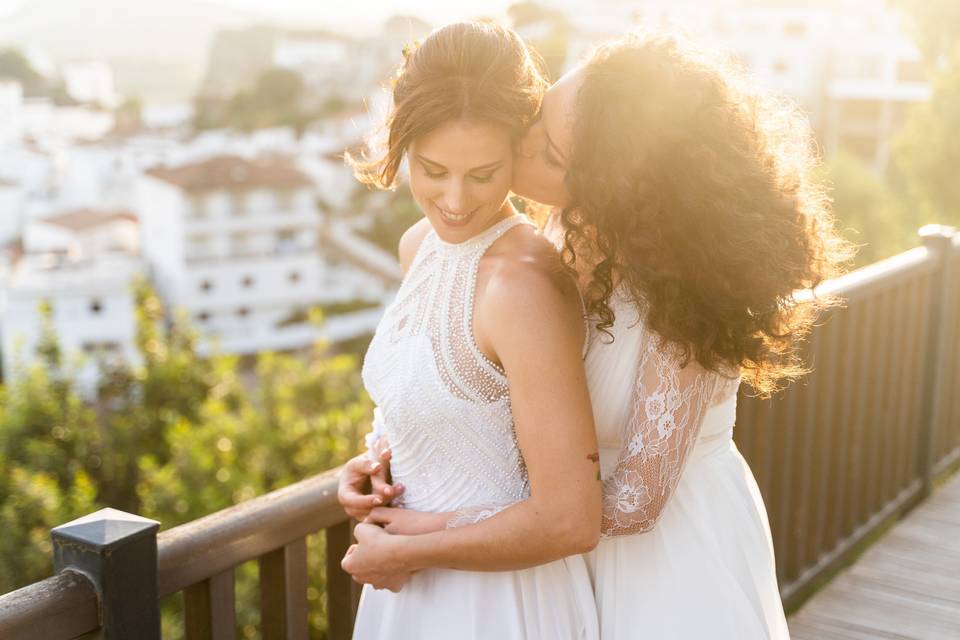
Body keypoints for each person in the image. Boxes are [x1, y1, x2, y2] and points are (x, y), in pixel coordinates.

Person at [340, 30, 854, 639]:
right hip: (541, 556)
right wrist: (400, 472)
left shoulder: (682, 287)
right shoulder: (551, 229)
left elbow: (634, 501)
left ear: (610, 183)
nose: (521, 145)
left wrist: (435, 527)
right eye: (539, 118)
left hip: (662, 561)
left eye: (550, 153)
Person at [341, 20, 603, 640]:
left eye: (483, 174)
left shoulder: (523, 285)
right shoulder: (419, 246)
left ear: (520, 148)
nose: (455, 200)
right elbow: (446, 410)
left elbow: (570, 518)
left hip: (496, 604)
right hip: (412, 586)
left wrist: (406, 553)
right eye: (433, 169)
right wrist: (372, 470)